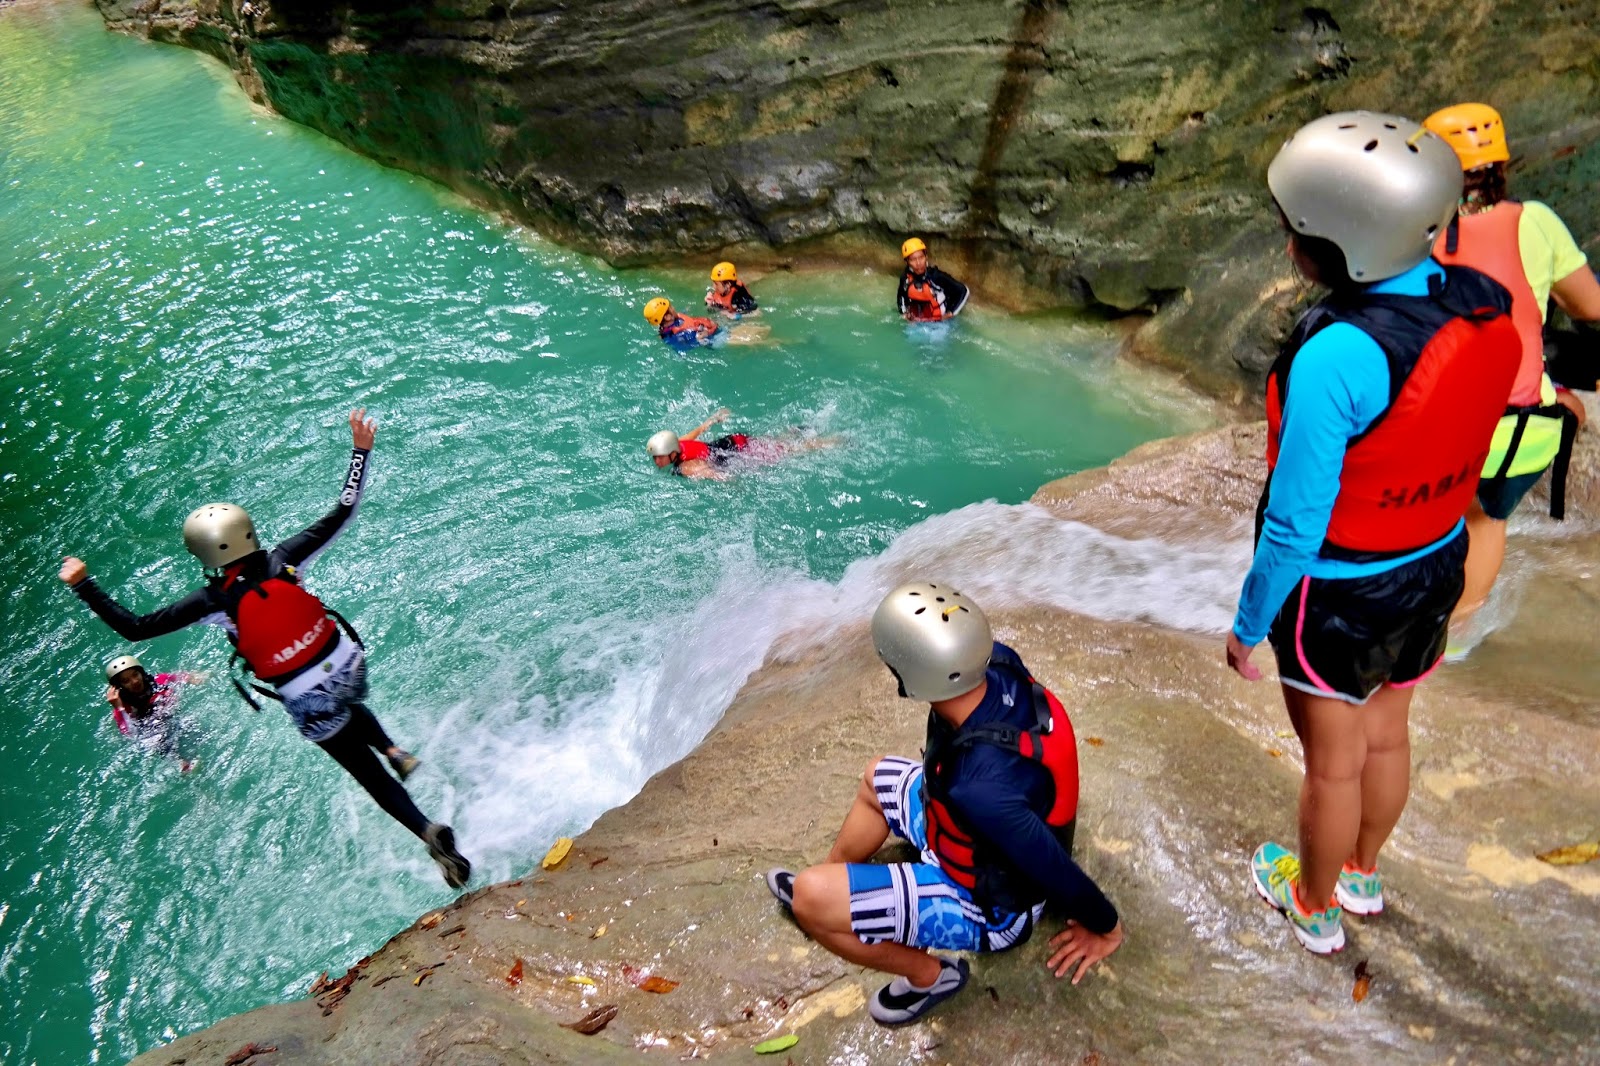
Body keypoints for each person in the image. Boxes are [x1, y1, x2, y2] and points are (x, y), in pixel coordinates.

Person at [1226, 112, 1521, 955]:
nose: (1290, 244)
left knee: (1335, 763)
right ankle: (1360, 873)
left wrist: (1250, 625)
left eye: (1300, 232)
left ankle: (1312, 905)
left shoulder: (1337, 356)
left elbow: (1294, 521)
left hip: (1341, 588)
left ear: (1348, 246)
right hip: (1434, 562)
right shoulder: (1484, 306)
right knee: (1389, 730)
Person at [57, 409, 472, 889]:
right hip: (345, 662)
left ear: (206, 555)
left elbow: (135, 628)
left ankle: (427, 832)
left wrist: (85, 584)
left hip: (304, 692)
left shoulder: (212, 601)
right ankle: (393, 747)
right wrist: (360, 451)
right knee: (346, 697)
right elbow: (343, 511)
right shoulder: (285, 559)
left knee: (366, 774)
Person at [764, 582, 1122, 1026]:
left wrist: (1107, 928)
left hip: (992, 906)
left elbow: (1052, 868)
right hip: (962, 829)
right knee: (877, 775)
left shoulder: (979, 790)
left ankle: (930, 977)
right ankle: (830, 877)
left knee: (809, 903)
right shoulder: (999, 664)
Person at [1422, 103, 1600, 637]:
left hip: (1428, 426)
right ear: (1501, 163)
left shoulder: (1412, 228)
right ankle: (1450, 646)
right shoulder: (1536, 222)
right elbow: (1590, 307)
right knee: (1486, 518)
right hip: (1520, 429)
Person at [645, 409, 838, 480]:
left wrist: (735, 486)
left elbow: (716, 475)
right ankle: (798, 430)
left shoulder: (685, 467)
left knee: (790, 451)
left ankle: (832, 442)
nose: (656, 461)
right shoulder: (680, 443)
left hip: (739, 453)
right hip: (733, 441)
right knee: (776, 444)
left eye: (659, 457)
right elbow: (698, 430)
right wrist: (712, 420)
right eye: (655, 458)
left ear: (672, 454)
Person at [103, 653, 202, 771]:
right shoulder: (122, 707)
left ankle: (195, 754)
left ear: (141, 673)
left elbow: (183, 677)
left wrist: (196, 678)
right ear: (120, 686)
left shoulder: (158, 681)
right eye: (126, 681)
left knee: (190, 724)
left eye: (135, 675)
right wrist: (119, 708)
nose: (134, 681)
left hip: (169, 716)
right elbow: (131, 735)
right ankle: (180, 764)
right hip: (150, 730)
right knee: (153, 741)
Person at [896, 238, 969, 323]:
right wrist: (904, 313)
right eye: (913, 259)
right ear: (907, 262)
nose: (918, 263)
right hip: (916, 321)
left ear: (926, 257)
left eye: (921, 257)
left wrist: (950, 313)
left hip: (939, 322)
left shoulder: (936, 277)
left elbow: (963, 291)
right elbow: (901, 297)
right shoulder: (905, 278)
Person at [643, 296, 720, 348]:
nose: (673, 308)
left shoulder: (666, 327)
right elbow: (693, 342)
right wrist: (701, 336)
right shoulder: (681, 335)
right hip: (713, 337)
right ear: (667, 317)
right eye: (671, 307)